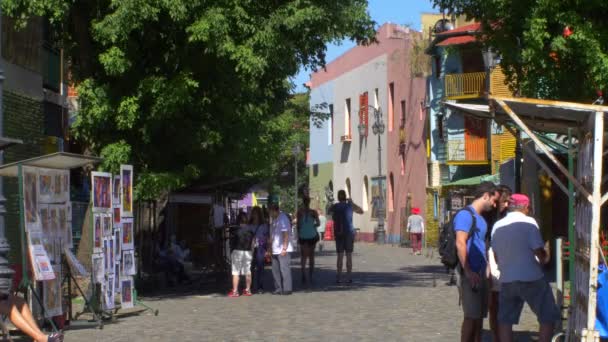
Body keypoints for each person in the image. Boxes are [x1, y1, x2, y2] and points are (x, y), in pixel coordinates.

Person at [491, 193, 559, 342]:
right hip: (531, 277)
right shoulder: (529, 223)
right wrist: (545, 257)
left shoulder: (497, 225)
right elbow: (538, 251)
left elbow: (496, 256)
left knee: (505, 320)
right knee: (547, 315)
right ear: (525, 207)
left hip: (508, 278)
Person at [454, 181, 498, 342]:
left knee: (479, 317)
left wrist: (487, 272)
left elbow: (481, 246)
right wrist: (468, 271)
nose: (494, 205)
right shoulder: (465, 215)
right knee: (471, 317)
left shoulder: (481, 219)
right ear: (485, 196)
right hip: (470, 273)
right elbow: (460, 242)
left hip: (480, 273)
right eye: (493, 200)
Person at [488, 185, 512, 342]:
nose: (507, 204)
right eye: (504, 201)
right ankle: (496, 335)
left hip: (505, 259)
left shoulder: (507, 215)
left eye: (509, 201)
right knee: (494, 303)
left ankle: (502, 334)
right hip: (491, 259)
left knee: (505, 301)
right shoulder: (490, 216)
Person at [329, 190, 363, 284]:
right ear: (345, 197)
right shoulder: (350, 206)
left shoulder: (336, 206)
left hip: (339, 233)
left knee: (339, 256)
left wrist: (334, 205)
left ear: (338, 197)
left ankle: (339, 277)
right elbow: (361, 211)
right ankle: (349, 277)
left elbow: (329, 210)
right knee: (349, 256)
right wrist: (352, 202)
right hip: (349, 233)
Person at [228, 212, 255, 297]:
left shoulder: (236, 230)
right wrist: (252, 252)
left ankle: (235, 291)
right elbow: (253, 243)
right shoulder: (251, 231)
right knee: (248, 271)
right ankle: (248, 290)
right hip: (248, 252)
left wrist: (231, 252)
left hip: (237, 251)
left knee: (236, 272)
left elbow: (232, 243)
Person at [269, 202, 293, 295]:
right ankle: (278, 288)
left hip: (282, 249)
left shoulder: (283, 219)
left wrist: (284, 248)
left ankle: (287, 288)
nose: (270, 214)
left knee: (284, 269)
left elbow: (285, 234)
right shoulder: (275, 219)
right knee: (275, 270)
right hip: (275, 248)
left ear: (275, 211)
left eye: (271, 212)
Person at [297, 197, 320, 287]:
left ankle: (303, 274)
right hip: (312, 235)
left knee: (303, 256)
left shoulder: (299, 212)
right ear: (309, 202)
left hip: (303, 235)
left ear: (303, 202)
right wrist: (312, 225)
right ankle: (311, 275)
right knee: (311, 256)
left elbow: (298, 225)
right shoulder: (313, 212)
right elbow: (318, 223)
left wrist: (299, 233)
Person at [249, 206, 270, 294]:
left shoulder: (264, 225)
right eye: (253, 213)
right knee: (250, 268)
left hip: (261, 248)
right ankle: (250, 285)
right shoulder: (249, 225)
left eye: (256, 213)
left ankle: (260, 286)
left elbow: (268, 238)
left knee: (260, 268)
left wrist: (268, 249)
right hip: (251, 249)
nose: (255, 215)